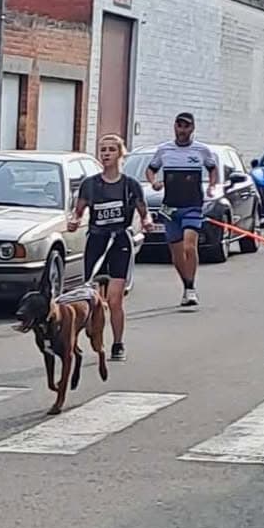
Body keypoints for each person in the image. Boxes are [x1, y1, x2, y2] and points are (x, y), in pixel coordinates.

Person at [69, 134, 152, 362]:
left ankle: (117, 344)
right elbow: (77, 212)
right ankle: (95, 340)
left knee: (115, 300)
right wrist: (74, 221)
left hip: (119, 242)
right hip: (96, 242)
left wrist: (147, 222)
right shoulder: (90, 185)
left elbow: (144, 213)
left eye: (111, 150)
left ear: (120, 154)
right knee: (94, 299)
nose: (106, 154)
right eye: (103, 150)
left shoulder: (130, 185)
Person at [145, 112, 220, 309]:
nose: (182, 130)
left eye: (186, 126)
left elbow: (213, 168)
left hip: (193, 205)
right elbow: (151, 169)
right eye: (179, 126)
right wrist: (154, 182)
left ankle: (190, 286)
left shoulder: (201, 150)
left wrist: (212, 186)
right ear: (174, 127)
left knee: (189, 246)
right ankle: (187, 285)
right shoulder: (164, 150)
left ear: (192, 128)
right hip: (170, 207)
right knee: (176, 253)